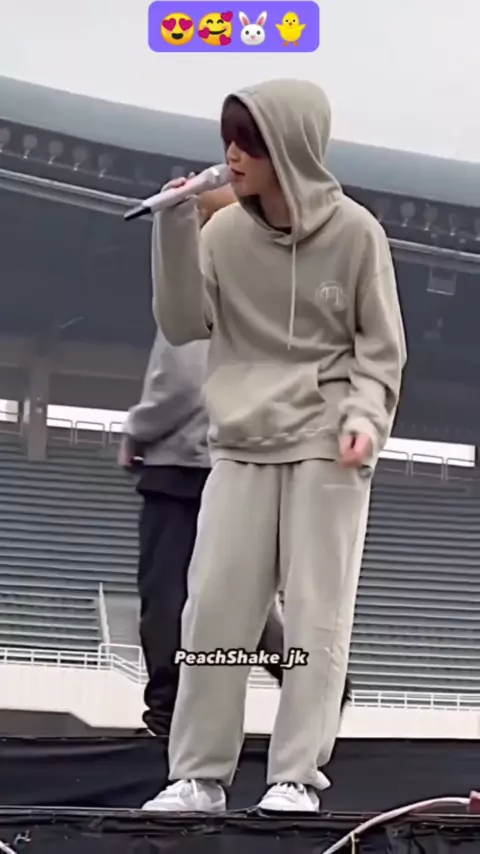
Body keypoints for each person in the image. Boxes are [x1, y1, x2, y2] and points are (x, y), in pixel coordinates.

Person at [145, 79, 406, 813]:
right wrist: (173, 228)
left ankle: (295, 777)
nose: (232, 156)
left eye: (249, 142)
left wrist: (366, 418)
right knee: (213, 611)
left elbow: (381, 348)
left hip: (328, 440)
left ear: (289, 147)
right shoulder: (222, 234)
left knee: (317, 612)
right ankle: (199, 777)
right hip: (240, 440)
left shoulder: (357, 233)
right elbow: (183, 323)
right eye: (228, 140)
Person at [120, 184, 352, 737]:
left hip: (183, 462)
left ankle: (167, 709)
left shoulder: (201, 284)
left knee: (168, 589)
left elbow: (180, 382)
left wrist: (136, 429)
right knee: (240, 590)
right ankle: (315, 677)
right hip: (243, 457)